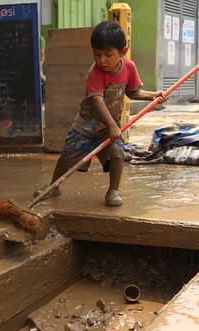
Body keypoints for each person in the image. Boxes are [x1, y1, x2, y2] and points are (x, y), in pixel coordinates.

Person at [34, 21, 167, 207]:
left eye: (108, 55)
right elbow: (97, 101)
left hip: (109, 128)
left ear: (123, 51)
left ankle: (113, 191)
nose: (102, 60)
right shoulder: (95, 73)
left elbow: (133, 92)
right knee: (68, 155)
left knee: (117, 154)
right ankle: (54, 186)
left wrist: (153, 96)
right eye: (97, 54)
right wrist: (113, 125)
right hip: (86, 126)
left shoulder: (129, 67)